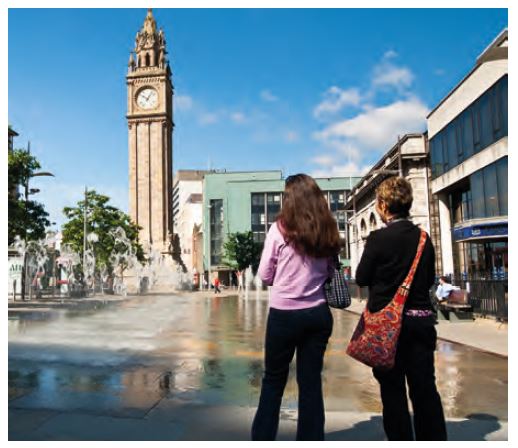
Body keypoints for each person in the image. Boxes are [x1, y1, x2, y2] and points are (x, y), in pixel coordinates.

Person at [355, 176, 447, 441]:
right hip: (420, 323)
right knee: (425, 390)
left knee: (392, 392)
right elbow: (429, 278)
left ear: (383, 205)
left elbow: (361, 277)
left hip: (387, 328)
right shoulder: (423, 239)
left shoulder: (377, 239)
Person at [251, 174, 339, 441]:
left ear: (289, 198)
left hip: (284, 316)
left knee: (273, 381)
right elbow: (331, 271)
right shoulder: (327, 228)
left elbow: (265, 275)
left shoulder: (279, 229)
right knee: (311, 383)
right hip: (318, 314)